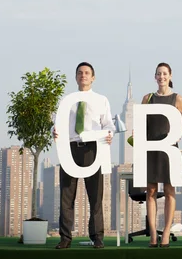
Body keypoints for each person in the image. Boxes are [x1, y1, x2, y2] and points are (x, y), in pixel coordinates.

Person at [53, 62, 115, 249]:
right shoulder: (67, 101)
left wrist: (109, 135)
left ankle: (97, 237)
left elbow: (109, 125)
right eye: (80, 73)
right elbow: (57, 123)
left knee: (95, 195)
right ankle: (65, 238)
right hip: (70, 148)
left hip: (93, 149)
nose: (83, 75)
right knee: (66, 194)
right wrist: (53, 130)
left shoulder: (101, 100)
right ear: (76, 77)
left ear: (93, 77)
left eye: (87, 73)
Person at [140, 62, 182, 248]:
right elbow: (142, 124)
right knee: (150, 191)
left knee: (169, 190)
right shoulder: (147, 98)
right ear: (155, 77)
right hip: (150, 148)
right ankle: (153, 233)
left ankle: (166, 232)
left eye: (165, 73)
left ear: (170, 76)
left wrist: (172, 137)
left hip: (169, 148)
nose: (161, 77)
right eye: (158, 74)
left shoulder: (178, 98)